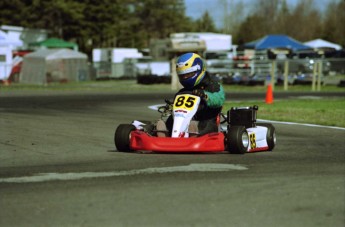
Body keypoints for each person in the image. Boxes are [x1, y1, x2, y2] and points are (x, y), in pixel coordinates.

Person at [156, 52, 225, 137]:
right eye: (182, 75)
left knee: (198, 124)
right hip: (185, 121)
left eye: (188, 74)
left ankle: (193, 134)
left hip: (206, 120)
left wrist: (205, 96)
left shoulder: (213, 86)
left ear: (199, 70)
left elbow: (219, 99)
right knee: (167, 121)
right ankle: (164, 133)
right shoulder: (182, 91)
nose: (185, 77)